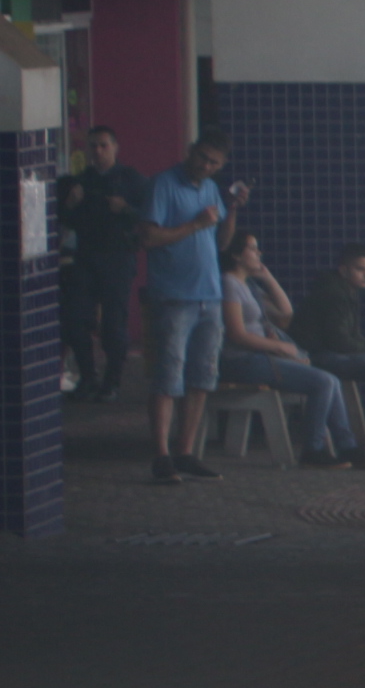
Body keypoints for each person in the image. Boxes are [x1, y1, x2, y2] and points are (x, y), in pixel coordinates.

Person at [138, 131, 247, 483]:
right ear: (190, 152)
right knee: (168, 376)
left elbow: (222, 243)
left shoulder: (211, 188)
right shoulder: (163, 185)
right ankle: (162, 455)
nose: (206, 166)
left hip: (209, 296)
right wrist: (194, 224)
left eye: (214, 163)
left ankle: (186, 451)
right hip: (173, 296)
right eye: (202, 157)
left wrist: (231, 211)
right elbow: (150, 237)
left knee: (202, 377)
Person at [221, 234, 365, 469]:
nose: (259, 253)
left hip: (261, 356)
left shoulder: (249, 286)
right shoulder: (229, 283)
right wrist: (278, 346)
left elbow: (285, 314)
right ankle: (313, 449)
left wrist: (267, 276)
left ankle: (347, 447)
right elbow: (236, 334)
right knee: (323, 381)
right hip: (242, 360)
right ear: (236, 255)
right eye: (253, 249)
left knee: (332, 381)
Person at [58, 124, 149, 402]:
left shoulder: (130, 179)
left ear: (115, 148)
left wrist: (126, 209)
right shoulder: (81, 180)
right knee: (74, 319)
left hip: (117, 257)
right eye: (93, 146)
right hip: (85, 257)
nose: (97, 151)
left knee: (113, 324)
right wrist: (70, 205)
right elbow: (64, 221)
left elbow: (149, 216)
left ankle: (112, 380)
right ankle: (88, 376)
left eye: (103, 146)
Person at [292, 242, 365, 454]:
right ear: (344, 270)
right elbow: (339, 341)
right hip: (316, 356)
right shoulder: (334, 293)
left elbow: (352, 336)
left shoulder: (347, 290)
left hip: (331, 352)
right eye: (360, 269)